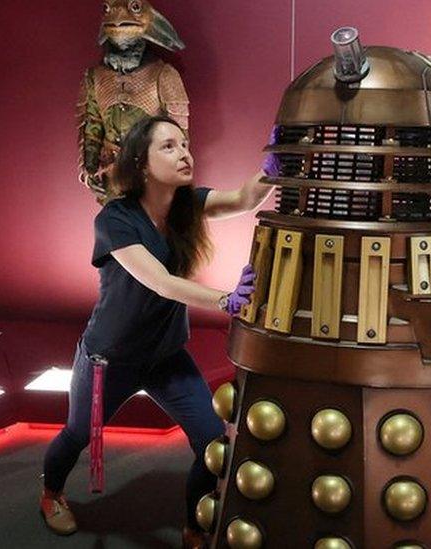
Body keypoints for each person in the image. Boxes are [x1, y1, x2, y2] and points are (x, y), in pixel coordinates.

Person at [39, 115, 275, 547]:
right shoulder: (116, 219)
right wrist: (225, 300)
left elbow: (245, 199)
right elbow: (160, 282)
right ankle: (51, 493)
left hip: (166, 357)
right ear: (142, 164)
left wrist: (274, 164)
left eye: (184, 143)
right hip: (109, 358)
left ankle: (192, 525)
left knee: (210, 443)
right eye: (168, 146)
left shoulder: (187, 206)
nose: (184, 153)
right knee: (77, 433)